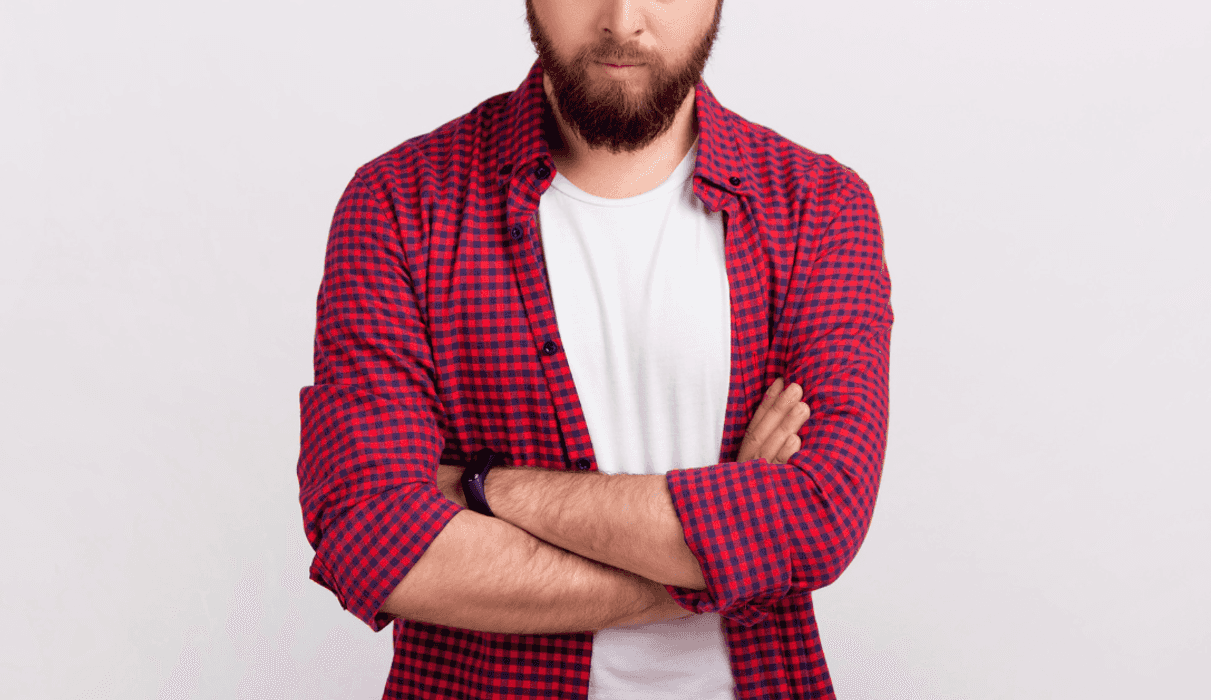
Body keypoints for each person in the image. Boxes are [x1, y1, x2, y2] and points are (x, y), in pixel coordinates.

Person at [296, 0, 893, 697]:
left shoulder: (819, 206)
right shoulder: (402, 203)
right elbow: (374, 541)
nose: (621, 20)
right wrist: (732, 557)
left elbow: (818, 518)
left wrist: (482, 486)